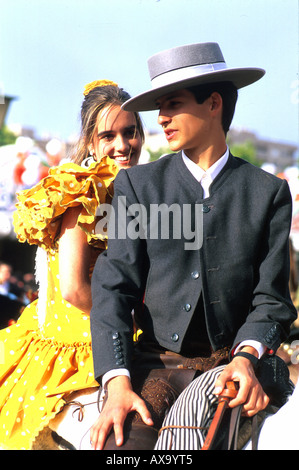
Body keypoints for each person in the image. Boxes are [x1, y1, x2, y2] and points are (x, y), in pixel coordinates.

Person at [89, 43, 297, 450]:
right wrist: (116, 381)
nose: (161, 118)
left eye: (173, 104)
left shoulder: (269, 193)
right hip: (154, 368)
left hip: (232, 367)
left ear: (214, 102)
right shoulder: (135, 185)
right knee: (118, 448)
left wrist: (246, 357)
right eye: (159, 107)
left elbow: (272, 301)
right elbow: (113, 287)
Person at [0, 79, 144, 450]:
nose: (122, 145)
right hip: (75, 345)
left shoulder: (132, 189)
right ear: (90, 142)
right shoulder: (83, 192)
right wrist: (128, 328)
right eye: (108, 136)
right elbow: (74, 288)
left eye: (130, 132)